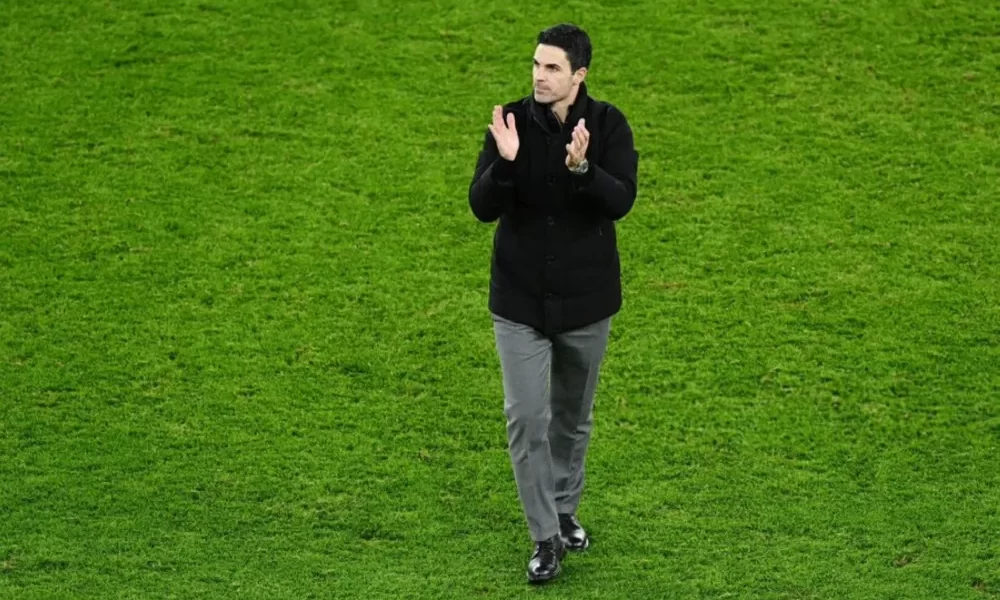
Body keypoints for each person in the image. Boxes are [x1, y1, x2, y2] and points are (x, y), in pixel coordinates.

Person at [467, 23, 639, 584]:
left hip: (586, 303)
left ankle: (564, 512)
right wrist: (507, 163)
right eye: (536, 65)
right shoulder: (510, 123)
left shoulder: (608, 125)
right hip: (519, 302)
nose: (539, 77)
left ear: (578, 75)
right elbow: (480, 207)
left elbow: (622, 200)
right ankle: (544, 536)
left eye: (552, 68)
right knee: (526, 417)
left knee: (571, 417)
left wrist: (583, 170)